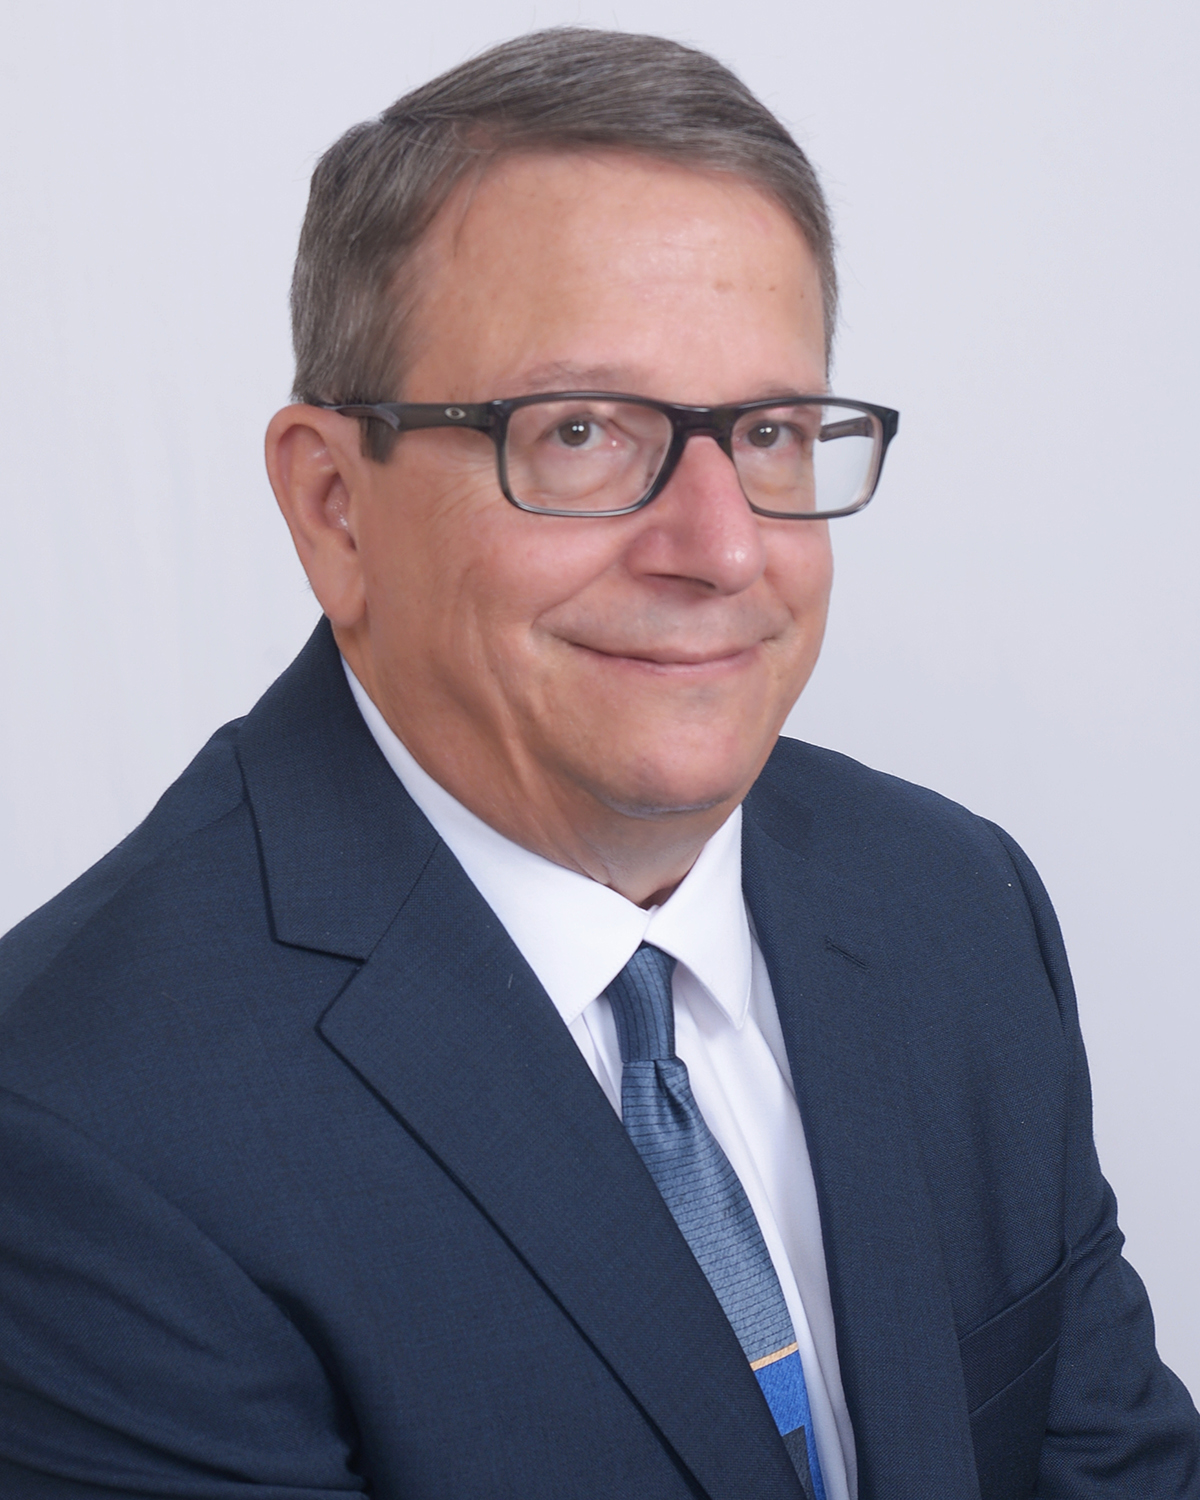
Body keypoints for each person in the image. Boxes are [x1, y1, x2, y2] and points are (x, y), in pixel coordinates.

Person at [0, 26, 1196, 1500]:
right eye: (579, 432)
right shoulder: (83, 1123)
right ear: (333, 507)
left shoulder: (952, 906)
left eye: (769, 432)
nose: (722, 548)